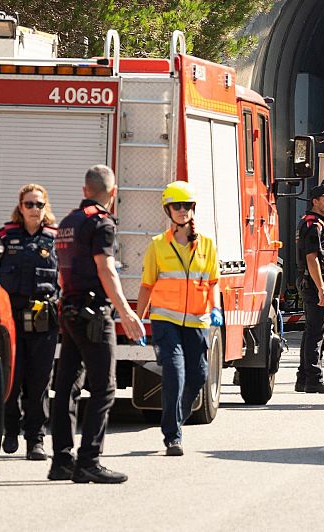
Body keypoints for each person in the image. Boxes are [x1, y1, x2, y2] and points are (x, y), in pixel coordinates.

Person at [50, 165, 143, 484]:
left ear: (84, 189)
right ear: (113, 193)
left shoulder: (67, 222)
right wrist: (126, 312)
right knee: (104, 387)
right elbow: (106, 269)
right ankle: (89, 460)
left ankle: (61, 460)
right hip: (93, 314)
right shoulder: (100, 222)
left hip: (69, 310)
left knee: (67, 387)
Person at [134, 181, 220, 457]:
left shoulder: (206, 245)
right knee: (175, 372)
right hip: (165, 321)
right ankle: (173, 436)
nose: (182, 211)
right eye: (176, 206)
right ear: (168, 210)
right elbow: (147, 286)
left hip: (197, 321)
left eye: (186, 206)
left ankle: (175, 419)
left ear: (193, 209)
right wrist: (138, 320)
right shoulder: (158, 246)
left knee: (199, 376)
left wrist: (216, 308)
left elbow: (213, 282)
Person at [0, 184, 59, 461]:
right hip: (12, 318)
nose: (35, 209)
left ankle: (36, 440)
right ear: (20, 207)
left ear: (46, 208)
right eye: (29, 204)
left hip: (44, 319)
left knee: (39, 382)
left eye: (39, 205)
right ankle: (10, 431)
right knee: (13, 378)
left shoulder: (55, 239)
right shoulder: (6, 236)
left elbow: (66, 278)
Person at [295, 181, 324, 393]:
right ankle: (314, 378)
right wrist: (321, 289)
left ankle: (303, 377)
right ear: (315, 201)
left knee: (311, 331)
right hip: (315, 282)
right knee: (317, 333)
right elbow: (312, 259)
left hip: (312, 281)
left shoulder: (314, 223)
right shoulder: (313, 225)